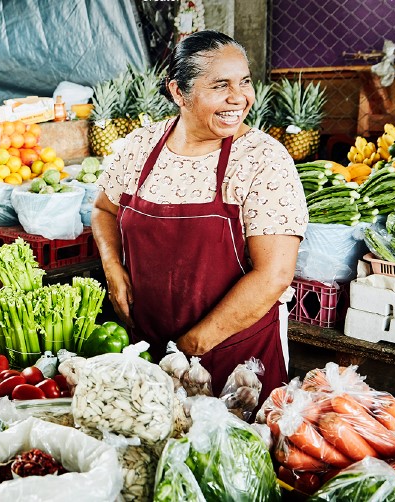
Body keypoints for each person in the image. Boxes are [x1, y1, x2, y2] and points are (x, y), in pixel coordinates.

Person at [92, 30, 308, 399]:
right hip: (146, 345)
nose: (238, 98)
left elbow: (274, 276)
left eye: (243, 82)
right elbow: (102, 209)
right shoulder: (142, 145)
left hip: (235, 362)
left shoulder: (262, 159)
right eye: (220, 85)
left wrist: (192, 346)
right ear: (179, 92)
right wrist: (113, 268)